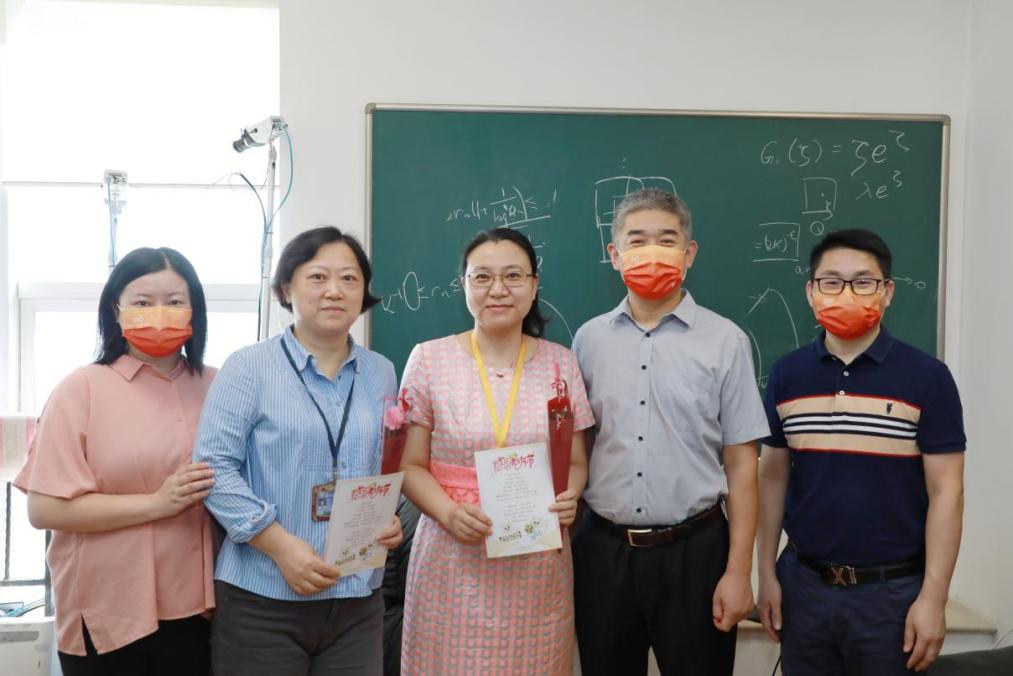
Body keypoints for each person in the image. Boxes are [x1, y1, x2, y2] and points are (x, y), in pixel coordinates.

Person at [571, 188, 769, 676]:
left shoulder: (726, 341)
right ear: (615, 254)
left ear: (690, 251)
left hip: (696, 554)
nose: (652, 252)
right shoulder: (588, 340)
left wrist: (739, 572)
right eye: (637, 241)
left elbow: (742, 465)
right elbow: (579, 448)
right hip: (603, 553)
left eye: (666, 239)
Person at [193, 226, 403, 676]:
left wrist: (385, 518)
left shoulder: (381, 372)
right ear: (287, 288)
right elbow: (214, 469)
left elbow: (381, 464)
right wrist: (282, 547)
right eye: (318, 277)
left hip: (356, 596)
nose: (335, 291)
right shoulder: (249, 367)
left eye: (349, 278)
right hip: (264, 594)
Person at [756, 229, 966, 675]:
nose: (846, 293)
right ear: (811, 292)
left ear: (887, 292)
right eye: (831, 282)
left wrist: (933, 598)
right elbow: (772, 477)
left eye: (863, 282)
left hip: (891, 596)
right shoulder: (787, 375)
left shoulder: (928, 377)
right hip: (804, 587)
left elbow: (947, 491)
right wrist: (767, 575)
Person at [399, 227, 594, 675]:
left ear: (534, 285)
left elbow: (576, 461)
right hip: (453, 552)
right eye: (482, 277)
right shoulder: (428, 360)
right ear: (464, 284)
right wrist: (449, 514)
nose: (498, 289)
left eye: (513, 276)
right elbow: (409, 465)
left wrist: (571, 495)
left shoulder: (561, 362)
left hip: (536, 557)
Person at [15, 247, 216, 676]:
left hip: (200, 608)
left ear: (194, 311)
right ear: (116, 309)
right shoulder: (81, 389)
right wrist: (156, 503)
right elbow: (44, 509)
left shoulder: (219, 386)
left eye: (174, 301)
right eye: (142, 301)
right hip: (107, 609)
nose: (159, 313)